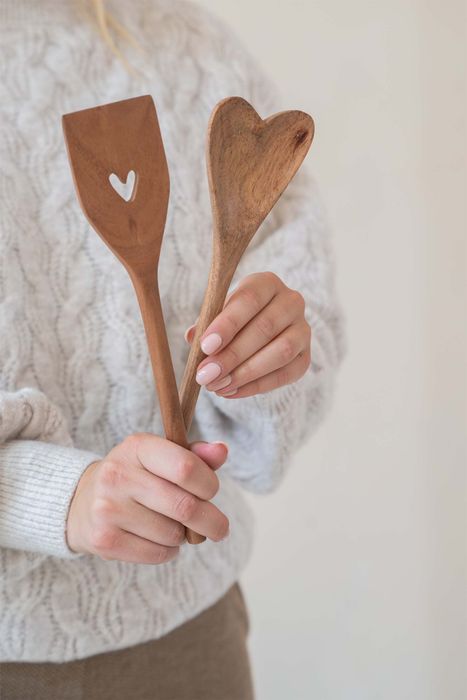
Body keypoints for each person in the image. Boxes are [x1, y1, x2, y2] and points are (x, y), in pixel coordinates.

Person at [0, 0, 345, 697]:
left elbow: (307, 301)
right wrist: (47, 496)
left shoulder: (185, 41)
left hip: (190, 638)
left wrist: (265, 365)